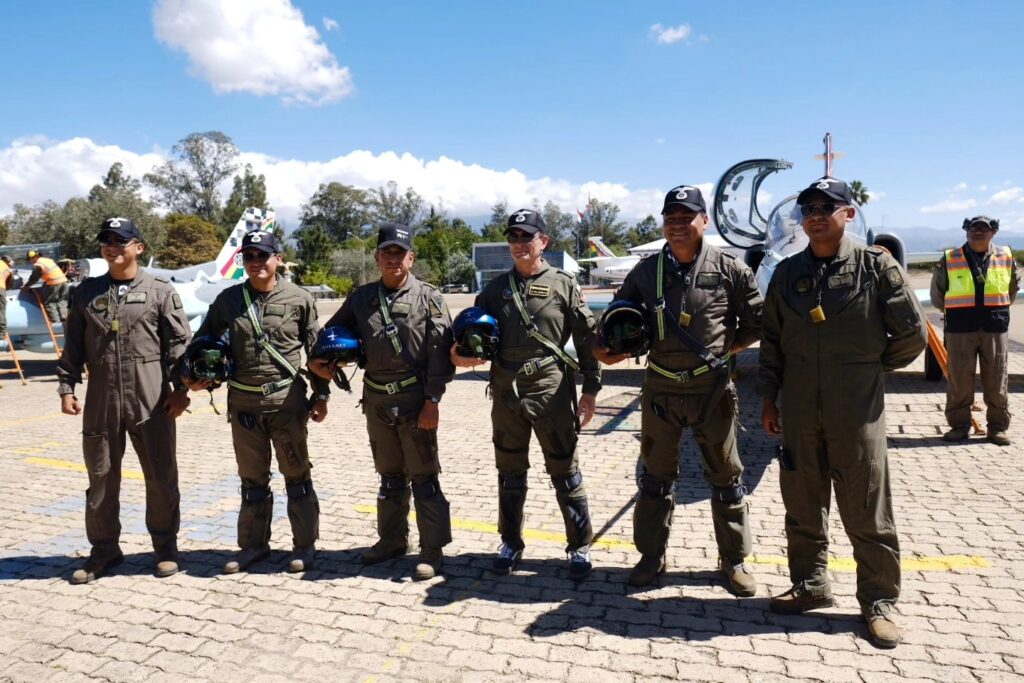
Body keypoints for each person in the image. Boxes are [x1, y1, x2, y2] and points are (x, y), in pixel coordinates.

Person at [759, 177, 928, 649]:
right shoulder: (787, 274)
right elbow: (771, 342)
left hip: (856, 413)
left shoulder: (875, 267)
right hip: (798, 410)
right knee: (802, 505)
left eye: (826, 207)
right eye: (808, 208)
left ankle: (879, 602)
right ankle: (810, 585)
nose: (815, 215)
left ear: (848, 213)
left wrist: (868, 369)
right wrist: (769, 398)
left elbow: (912, 335)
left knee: (867, 510)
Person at [595, 185, 763, 594]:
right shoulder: (646, 272)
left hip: (712, 391)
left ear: (704, 220)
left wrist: (725, 350)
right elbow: (617, 315)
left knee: (727, 478)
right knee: (654, 479)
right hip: (661, 391)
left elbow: (757, 322)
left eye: (687, 217)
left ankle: (734, 560)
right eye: (671, 218)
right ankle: (651, 556)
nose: (678, 225)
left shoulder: (730, 269)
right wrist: (606, 347)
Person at [451, 209, 600, 580]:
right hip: (506, 395)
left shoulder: (563, 285)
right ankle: (510, 542)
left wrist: (591, 390)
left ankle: (579, 546)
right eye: (513, 238)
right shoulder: (494, 291)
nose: (519, 244)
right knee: (509, 472)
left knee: (565, 471)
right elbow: (473, 337)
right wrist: (460, 354)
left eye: (526, 237)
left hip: (551, 391)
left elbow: (587, 341)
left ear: (543, 241)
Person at [312, 223, 455, 581]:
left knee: (424, 478)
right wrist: (322, 363)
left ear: (411, 258)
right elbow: (333, 335)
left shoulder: (429, 298)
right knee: (390, 477)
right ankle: (392, 540)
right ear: (377, 258)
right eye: (386, 253)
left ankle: (432, 550)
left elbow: (441, 354)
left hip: (414, 399)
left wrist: (432, 400)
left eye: (399, 253)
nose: (393, 259)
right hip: (376, 400)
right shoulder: (360, 299)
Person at [56, 218, 192, 583]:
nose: (112, 246)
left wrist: (181, 390)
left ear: (138, 248)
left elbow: (180, 345)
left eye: (120, 240)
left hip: (150, 394)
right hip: (102, 394)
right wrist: (67, 387)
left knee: (161, 475)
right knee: (100, 475)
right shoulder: (86, 293)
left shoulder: (160, 290)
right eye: (106, 240)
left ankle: (165, 547)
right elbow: (73, 346)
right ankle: (104, 550)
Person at [187, 230, 329, 574]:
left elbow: (318, 353)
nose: (255, 263)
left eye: (262, 256)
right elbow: (203, 340)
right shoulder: (228, 300)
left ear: (277, 258)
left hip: (286, 403)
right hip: (244, 405)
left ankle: (304, 546)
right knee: (252, 482)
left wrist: (321, 394)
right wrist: (193, 374)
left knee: (297, 476)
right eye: (248, 257)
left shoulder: (299, 299)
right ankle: (253, 547)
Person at [930, 215, 1020, 446]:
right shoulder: (950, 258)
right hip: (960, 328)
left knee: (997, 379)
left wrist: (993, 309)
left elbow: (1011, 290)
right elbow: (938, 294)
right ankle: (959, 427)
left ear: (993, 232)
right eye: (973, 227)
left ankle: (997, 428)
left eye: (983, 228)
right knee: (959, 380)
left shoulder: (1005, 256)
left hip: (994, 327)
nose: (977, 231)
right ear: (966, 231)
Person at [25, 249, 70, 324]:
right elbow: (51, 272)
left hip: (53, 283)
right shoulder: (47, 260)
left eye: (30, 259)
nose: (30, 261)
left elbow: (34, 277)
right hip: (63, 281)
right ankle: (64, 317)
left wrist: (27, 285)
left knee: (50, 302)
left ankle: (56, 322)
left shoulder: (38, 264)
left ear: (34, 257)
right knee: (62, 300)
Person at [0, 255, 14, 341]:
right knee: (1, 311)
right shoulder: (8, 269)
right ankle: (1, 334)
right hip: (1, 289)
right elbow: (10, 285)